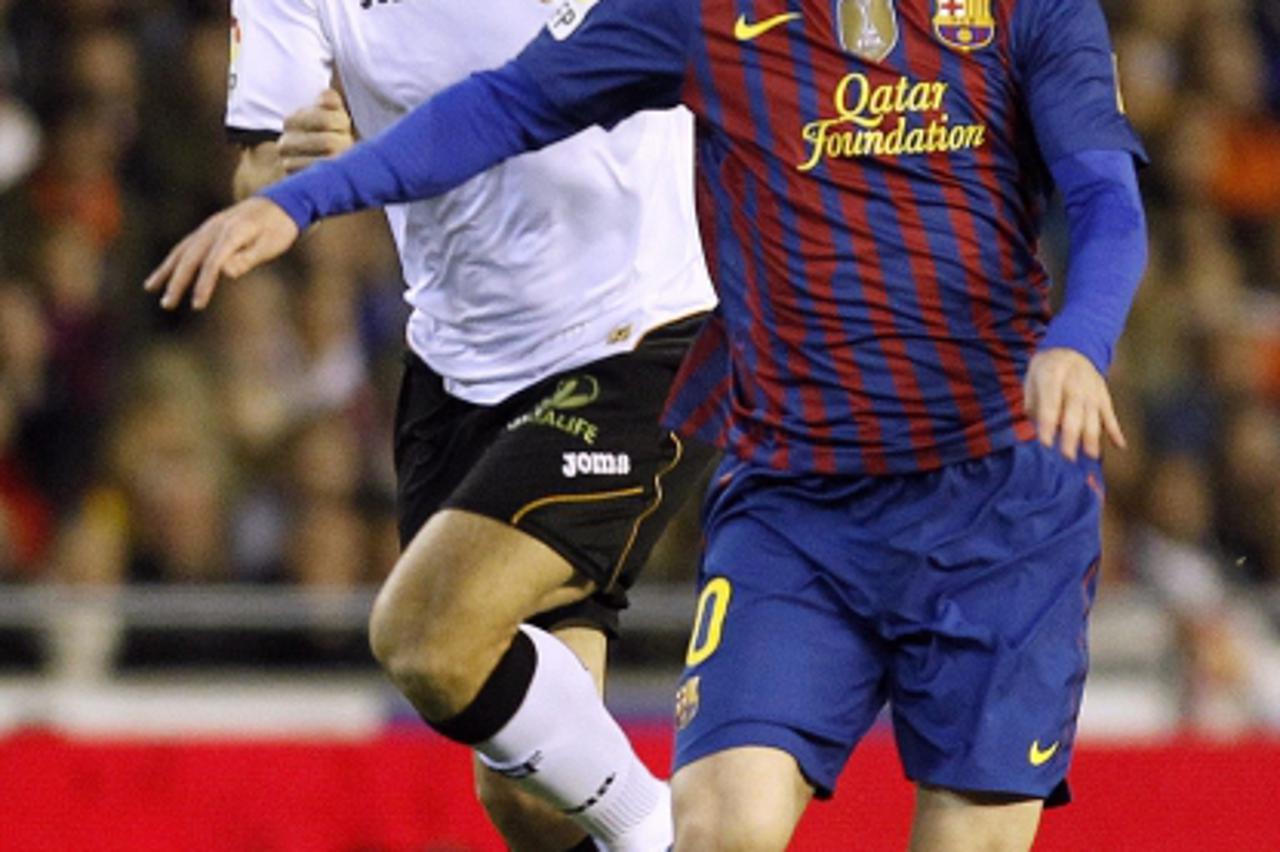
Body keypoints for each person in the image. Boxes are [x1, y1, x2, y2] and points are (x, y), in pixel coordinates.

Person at [147, 0, 1148, 848]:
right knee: (659, 818)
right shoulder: (709, 12)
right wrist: (301, 196)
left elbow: (1106, 197)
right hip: (789, 495)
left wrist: (1078, 340)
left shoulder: (1031, 11)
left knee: (964, 833)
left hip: (980, 490)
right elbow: (502, 105)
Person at [210, 2, 718, 850]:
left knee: (430, 637)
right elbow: (260, 170)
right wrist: (289, 163)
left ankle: (656, 832)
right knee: (530, 800)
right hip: (457, 374)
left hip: (636, 333)